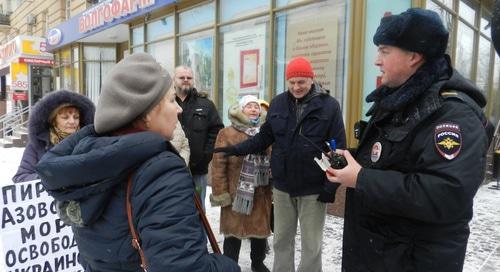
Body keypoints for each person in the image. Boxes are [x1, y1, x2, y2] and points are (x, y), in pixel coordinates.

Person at [35, 53, 240, 272]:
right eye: (171, 101)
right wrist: (227, 266)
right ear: (147, 113)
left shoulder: (90, 156)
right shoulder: (161, 171)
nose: (179, 109)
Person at [325, 8, 491, 272]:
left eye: (384, 51)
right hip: (381, 253)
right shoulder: (397, 99)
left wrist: (361, 178)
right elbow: (393, 156)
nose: (376, 61)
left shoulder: (453, 114)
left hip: (413, 260)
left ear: (414, 56)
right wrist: (349, 161)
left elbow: (447, 194)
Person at [215, 56, 346, 272]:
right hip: (283, 188)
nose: (296, 87)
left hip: (313, 189)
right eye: (292, 82)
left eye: (301, 82)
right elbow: (264, 137)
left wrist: (330, 187)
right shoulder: (278, 103)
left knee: (311, 245)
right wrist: (237, 149)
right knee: (281, 241)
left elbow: (338, 148)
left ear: (311, 80)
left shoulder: (329, 106)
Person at [210, 95, 272, 272]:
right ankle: (230, 265)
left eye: (256, 107)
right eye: (249, 106)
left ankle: (257, 263)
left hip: (260, 192)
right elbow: (218, 163)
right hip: (235, 192)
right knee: (233, 234)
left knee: (260, 233)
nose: (254, 109)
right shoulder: (227, 133)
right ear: (241, 110)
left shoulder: (266, 132)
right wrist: (221, 192)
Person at [12, 90, 95, 183]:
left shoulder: (90, 141)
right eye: (65, 117)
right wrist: (51, 177)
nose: (72, 122)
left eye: (76, 117)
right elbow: (20, 178)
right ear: (53, 120)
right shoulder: (38, 144)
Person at [174, 65, 224, 210]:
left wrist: (205, 155)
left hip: (197, 170)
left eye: (189, 78)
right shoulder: (166, 103)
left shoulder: (206, 105)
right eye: (181, 77)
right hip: (171, 168)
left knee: (198, 210)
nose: (185, 80)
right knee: (174, 208)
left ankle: (200, 233)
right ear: (174, 80)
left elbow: (216, 131)